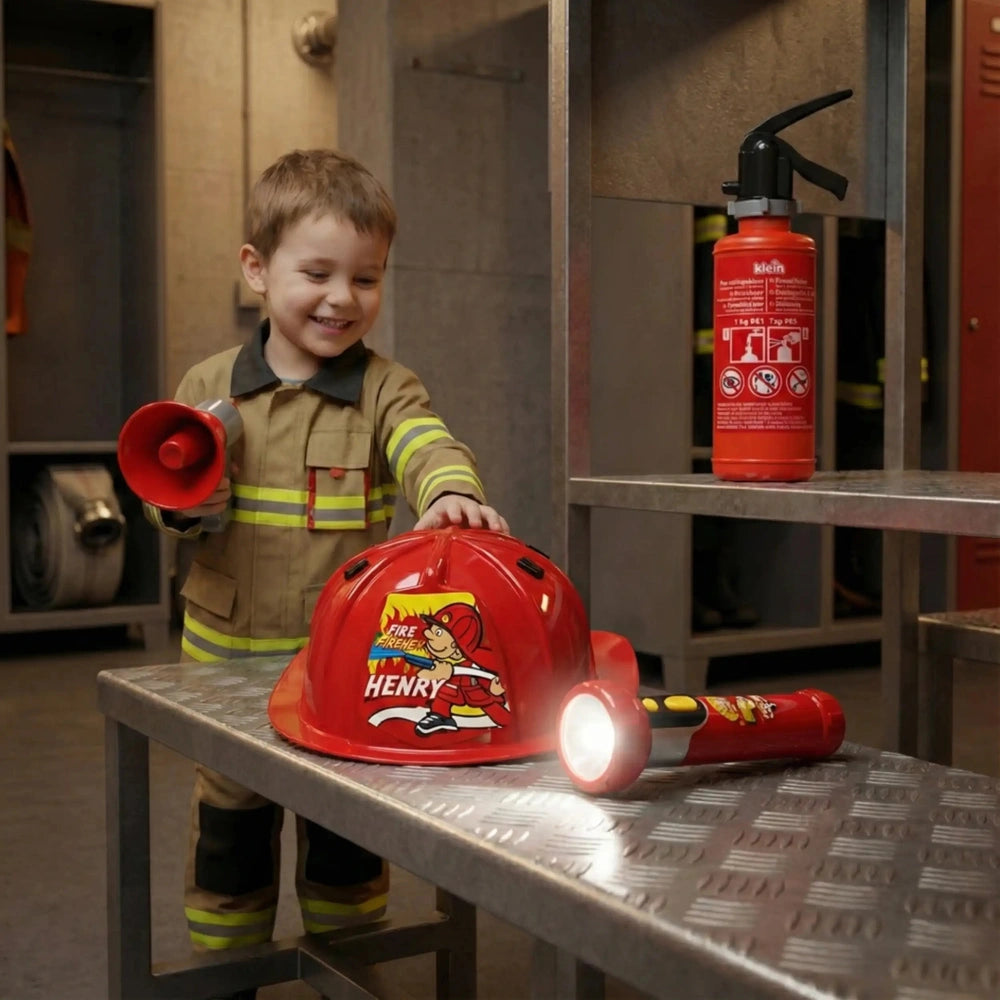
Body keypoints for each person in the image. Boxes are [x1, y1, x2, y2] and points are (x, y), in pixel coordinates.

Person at [145, 148, 508, 999]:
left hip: (339, 666)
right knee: (230, 828)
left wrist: (451, 491)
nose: (343, 299)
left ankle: (348, 970)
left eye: (367, 278)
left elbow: (427, 442)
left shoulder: (387, 389)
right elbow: (171, 488)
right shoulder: (209, 385)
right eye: (317, 273)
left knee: (346, 833)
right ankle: (227, 973)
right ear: (257, 270)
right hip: (223, 663)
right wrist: (184, 506)